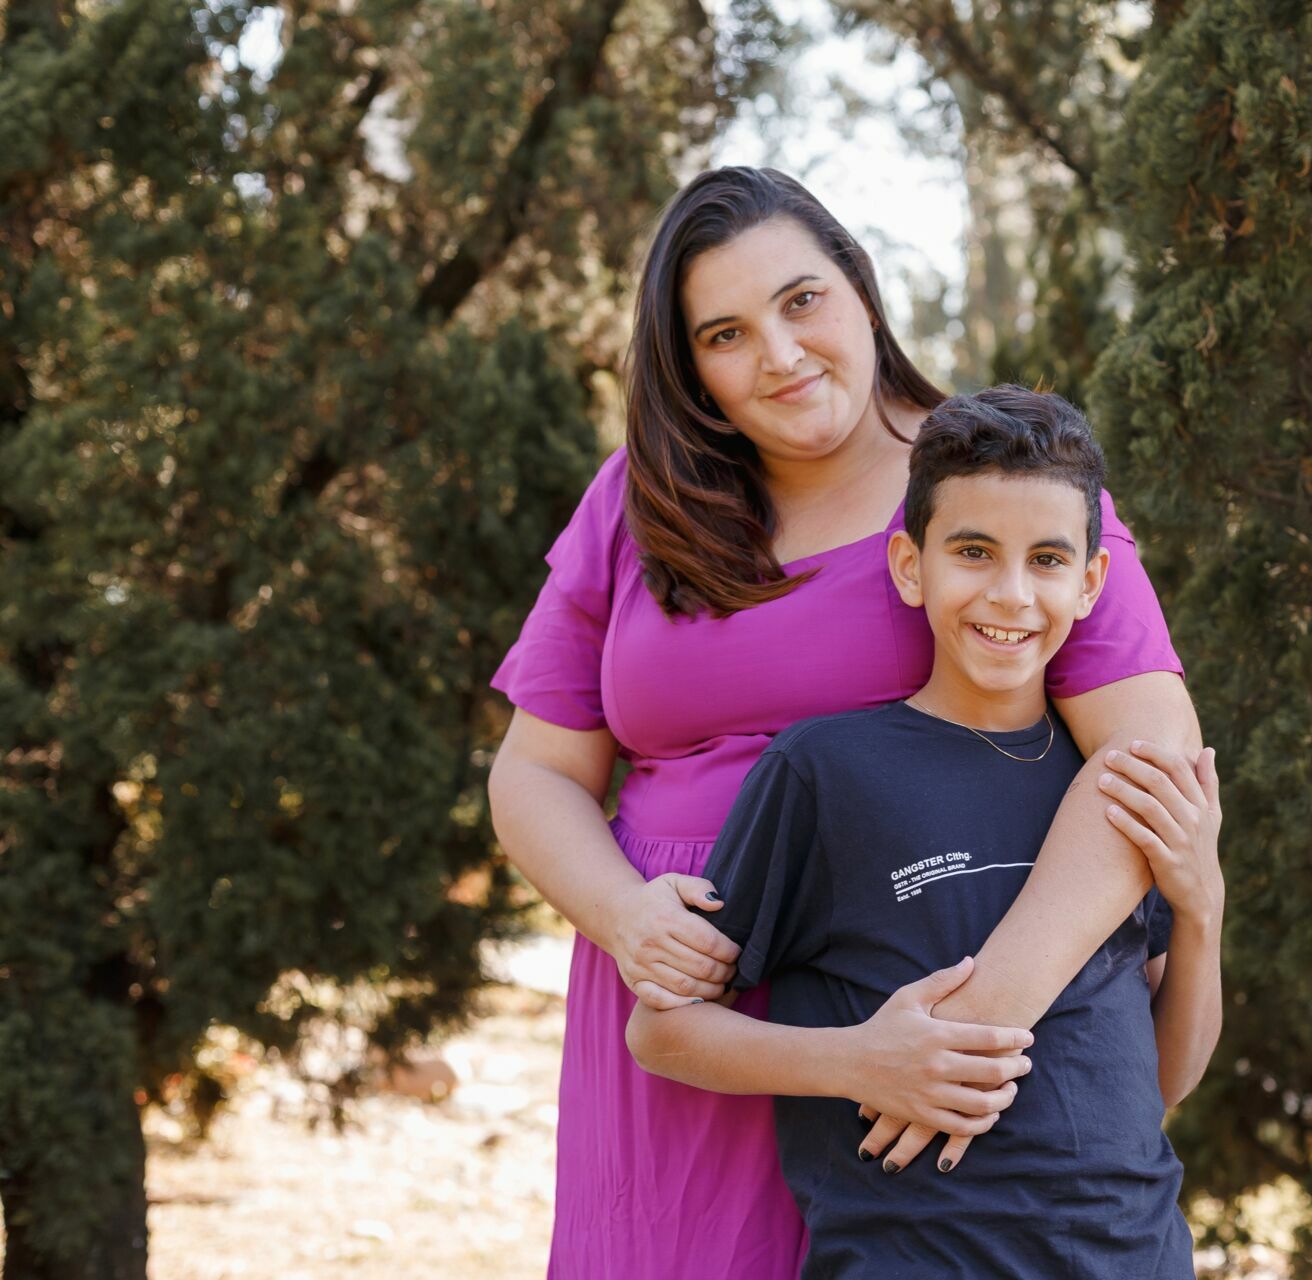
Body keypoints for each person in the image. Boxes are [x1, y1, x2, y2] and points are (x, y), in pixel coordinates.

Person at [486, 165, 1211, 1278]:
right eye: (725, 334)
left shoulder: (989, 491)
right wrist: (627, 916)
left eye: (802, 300)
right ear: (691, 368)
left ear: (862, 291)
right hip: (691, 1019)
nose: (779, 354)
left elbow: (1148, 760)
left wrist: (967, 1033)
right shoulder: (637, 501)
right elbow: (534, 771)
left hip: (919, 1016)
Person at [625, 386, 1223, 1279]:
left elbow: (1168, 1081)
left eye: (1047, 559)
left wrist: (1205, 911)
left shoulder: (1114, 799)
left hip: (1137, 1257)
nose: (1011, 594)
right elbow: (661, 1033)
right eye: (974, 552)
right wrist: (855, 1062)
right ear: (911, 565)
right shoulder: (825, 772)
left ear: (1092, 583)